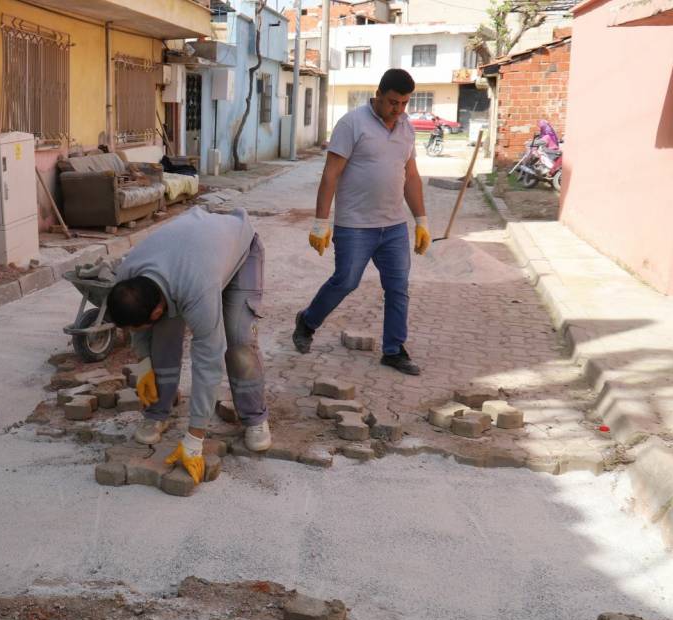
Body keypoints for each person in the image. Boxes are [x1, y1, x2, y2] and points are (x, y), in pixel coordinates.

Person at [108, 207, 269, 485]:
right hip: (191, 254)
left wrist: (195, 438)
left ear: (156, 311)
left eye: (141, 325)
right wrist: (145, 362)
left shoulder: (196, 289)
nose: (137, 332)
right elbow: (138, 324)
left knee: (239, 345)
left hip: (240, 249)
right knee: (162, 337)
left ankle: (255, 418)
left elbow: (208, 361)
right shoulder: (128, 276)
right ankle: (157, 411)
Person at [293, 69, 431, 376]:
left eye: (404, 103)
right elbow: (330, 174)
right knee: (346, 281)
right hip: (355, 225)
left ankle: (394, 350)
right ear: (379, 95)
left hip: (393, 226)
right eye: (393, 102)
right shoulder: (352, 123)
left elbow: (411, 176)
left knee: (398, 287)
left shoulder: (407, 128)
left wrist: (421, 220)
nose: (398, 110)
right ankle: (307, 321)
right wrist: (320, 222)